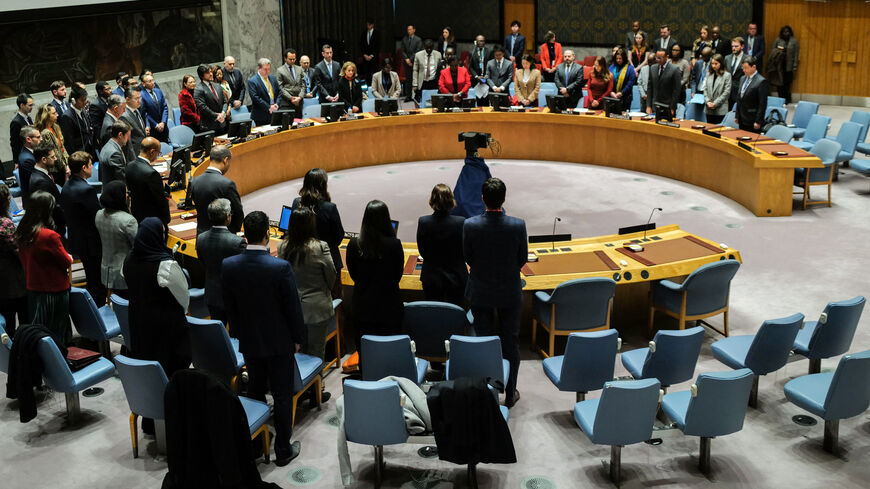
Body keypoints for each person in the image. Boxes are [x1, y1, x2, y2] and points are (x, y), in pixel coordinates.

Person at [222, 210, 306, 467]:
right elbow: (293, 308)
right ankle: (283, 449)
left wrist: (237, 331)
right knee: (281, 395)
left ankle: (258, 444)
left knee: (256, 388)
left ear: (244, 235)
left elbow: (230, 305)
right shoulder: (280, 267)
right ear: (268, 234)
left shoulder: (230, 265)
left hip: (249, 340)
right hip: (279, 342)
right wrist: (298, 338)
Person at [463, 177, 527, 408]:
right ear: (504, 199)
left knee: (484, 342)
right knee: (510, 342)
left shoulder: (470, 225)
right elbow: (522, 259)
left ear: (482, 199)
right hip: (509, 291)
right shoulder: (518, 225)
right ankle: (510, 392)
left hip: (481, 291)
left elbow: (468, 257)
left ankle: (487, 391)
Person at [123, 216, 191, 388]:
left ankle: (151, 407)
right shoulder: (165, 265)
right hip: (166, 329)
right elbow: (184, 298)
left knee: (149, 370)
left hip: (138, 322)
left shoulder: (128, 260)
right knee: (171, 372)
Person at [278, 206, 335, 366]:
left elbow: (282, 277)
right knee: (317, 351)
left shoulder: (283, 246)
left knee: (299, 351)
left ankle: (303, 387)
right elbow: (331, 276)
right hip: (317, 308)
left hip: (292, 307)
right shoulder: (321, 246)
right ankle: (317, 387)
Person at [15, 190, 73, 344]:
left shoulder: (23, 230)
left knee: (40, 331)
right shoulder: (49, 236)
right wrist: (69, 257)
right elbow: (66, 262)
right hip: (54, 291)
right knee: (57, 332)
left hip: (34, 289)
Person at [346, 200, 404, 344]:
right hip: (389, 308)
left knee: (365, 354)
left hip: (362, 308)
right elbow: (397, 275)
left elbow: (353, 273)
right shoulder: (394, 244)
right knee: (390, 351)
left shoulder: (354, 244)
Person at [59, 151, 105, 302]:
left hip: (77, 238)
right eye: (91, 165)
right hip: (91, 241)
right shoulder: (86, 190)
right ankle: (99, 309)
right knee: (96, 279)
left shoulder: (66, 186)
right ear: (84, 168)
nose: (93, 167)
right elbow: (97, 216)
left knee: (90, 275)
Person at [291, 168, 345, 296]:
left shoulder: (296, 203)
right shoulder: (329, 208)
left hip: (301, 258)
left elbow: (292, 230)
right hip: (327, 261)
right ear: (323, 186)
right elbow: (338, 237)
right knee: (332, 295)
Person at [195, 198, 245, 323]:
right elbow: (243, 270)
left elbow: (203, 262)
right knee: (235, 334)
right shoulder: (237, 242)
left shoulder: (200, 239)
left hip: (211, 294)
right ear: (228, 216)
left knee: (218, 331)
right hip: (232, 297)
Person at [416, 184, 466, 306]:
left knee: (434, 315)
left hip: (431, 278)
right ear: (451, 201)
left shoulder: (424, 222)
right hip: (456, 278)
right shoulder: (461, 222)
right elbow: (464, 251)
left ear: (432, 200)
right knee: (455, 315)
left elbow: (422, 251)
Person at [94, 181, 137, 298]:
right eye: (126, 193)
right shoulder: (128, 221)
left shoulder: (99, 214)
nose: (128, 195)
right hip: (124, 274)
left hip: (106, 271)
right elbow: (139, 246)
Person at [189, 145, 243, 234]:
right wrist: (233, 235)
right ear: (225, 160)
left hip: (201, 237)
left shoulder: (195, 181)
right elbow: (238, 214)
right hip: (223, 239)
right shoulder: (227, 184)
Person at [0, 183, 27, 337]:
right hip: (14, 278)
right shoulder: (5, 223)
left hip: (2, 280)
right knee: (24, 319)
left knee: (6, 320)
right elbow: (18, 251)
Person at [126, 137, 170, 224]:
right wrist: (166, 220)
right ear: (152, 152)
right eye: (158, 153)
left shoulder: (129, 166)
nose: (158, 156)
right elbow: (160, 201)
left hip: (136, 215)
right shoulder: (152, 174)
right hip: (151, 220)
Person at [27, 143, 66, 236]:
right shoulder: (41, 182)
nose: (56, 159)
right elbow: (50, 208)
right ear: (44, 159)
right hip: (54, 227)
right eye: (53, 157)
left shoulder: (40, 173)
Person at [34, 104, 68, 187]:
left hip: (64, 164)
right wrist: (65, 168)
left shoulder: (55, 127)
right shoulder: (46, 133)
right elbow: (55, 153)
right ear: (47, 116)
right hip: (57, 169)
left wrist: (68, 161)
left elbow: (62, 147)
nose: (57, 115)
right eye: (54, 113)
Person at [59, 85, 94, 158]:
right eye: (82, 100)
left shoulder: (83, 110)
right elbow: (69, 142)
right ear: (73, 100)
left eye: (85, 99)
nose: (85, 102)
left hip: (90, 150)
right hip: (79, 154)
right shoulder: (67, 116)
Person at [735, 56, 769, 133]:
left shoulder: (761, 81)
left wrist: (758, 121)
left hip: (752, 119)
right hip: (742, 118)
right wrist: (737, 115)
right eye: (743, 68)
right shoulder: (742, 78)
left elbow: (762, 104)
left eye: (746, 68)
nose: (743, 70)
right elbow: (739, 98)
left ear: (753, 67)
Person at [646, 48, 682, 116]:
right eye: (657, 57)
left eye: (661, 58)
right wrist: (648, 105)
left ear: (667, 57)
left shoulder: (674, 69)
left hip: (668, 106)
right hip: (655, 105)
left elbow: (676, 91)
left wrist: (672, 108)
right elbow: (649, 87)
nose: (658, 60)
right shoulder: (653, 68)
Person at [193, 63, 227, 134]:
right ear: (202, 75)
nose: (211, 74)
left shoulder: (217, 85)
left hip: (221, 124)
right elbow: (202, 107)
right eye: (208, 73)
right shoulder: (198, 89)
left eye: (211, 71)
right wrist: (216, 116)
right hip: (208, 127)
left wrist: (223, 113)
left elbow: (225, 101)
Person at [247, 58, 281, 126]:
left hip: (275, 111)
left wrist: (277, 104)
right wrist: (269, 107)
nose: (267, 71)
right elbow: (255, 98)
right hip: (261, 115)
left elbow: (279, 92)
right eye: (265, 69)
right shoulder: (252, 81)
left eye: (269, 69)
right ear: (259, 68)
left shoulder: (272, 78)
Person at [772, 25, 799, 104]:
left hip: (789, 65)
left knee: (787, 83)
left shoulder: (794, 41)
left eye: (787, 32)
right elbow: (773, 50)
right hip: (779, 65)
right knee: (779, 83)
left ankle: (787, 98)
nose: (786, 33)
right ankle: (780, 99)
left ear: (790, 32)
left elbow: (796, 54)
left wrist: (795, 65)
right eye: (784, 32)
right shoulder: (778, 40)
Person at [702, 54, 732, 124]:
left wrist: (715, 104)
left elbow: (726, 92)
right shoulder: (709, 74)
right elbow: (705, 89)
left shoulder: (727, 75)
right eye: (712, 63)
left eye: (716, 64)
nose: (714, 66)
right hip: (708, 108)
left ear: (721, 63)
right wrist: (708, 102)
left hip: (720, 109)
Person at [99, 120, 131, 185]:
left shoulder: (109, 145)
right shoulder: (114, 153)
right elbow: (121, 177)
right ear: (120, 135)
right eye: (128, 136)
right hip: (114, 192)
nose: (129, 139)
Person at [139, 74, 169, 143]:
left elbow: (165, 107)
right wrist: (156, 125)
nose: (153, 82)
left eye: (153, 80)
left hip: (163, 127)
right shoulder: (141, 95)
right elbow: (144, 113)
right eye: (149, 81)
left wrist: (163, 122)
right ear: (143, 84)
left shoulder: (158, 91)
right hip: (153, 129)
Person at [120, 86, 147, 161]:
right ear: (127, 99)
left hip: (143, 152)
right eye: (136, 99)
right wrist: (133, 159)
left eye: (140, 97)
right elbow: (128, 143)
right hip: (135, 155)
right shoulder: (124, 116)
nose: (139, 101)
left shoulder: (136, 110)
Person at [277, 48, 306, 117]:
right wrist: (291, 98)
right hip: (287, 103)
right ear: (285, 59)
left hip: (299, 102)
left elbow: (303, 84)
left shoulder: (299, 69)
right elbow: (280, 87)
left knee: (299, 124)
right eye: (290, 59)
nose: (293, 61)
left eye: (294, 59)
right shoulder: (280, 70)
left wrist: (300, 97)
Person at [16, 127, 40, 205]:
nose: (42, 139)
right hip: (34, 202)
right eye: (38, 137)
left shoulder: (30, 152)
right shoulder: (27, 159)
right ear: (29, 139)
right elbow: (35, 184)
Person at [413, 40, 442, 104]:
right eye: (427, 48)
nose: (429, 49)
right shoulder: (418, 55)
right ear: (424, 47)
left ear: (433, 47)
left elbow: (440, 69)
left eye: (430, 48)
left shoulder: (438, 54)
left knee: (434, 101)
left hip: (434, 81)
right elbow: (415, 70)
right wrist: (415, 84)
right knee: (421, 101)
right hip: (423, 81)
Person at [10, 94, 34, 165]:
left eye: (32, 105)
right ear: (22, 105)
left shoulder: (28, 118)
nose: (32, 107)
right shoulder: (16, 122)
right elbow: (14, 143)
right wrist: (16, 162)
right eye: (30, 105)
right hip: (24, 157)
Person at [401, 25, 423, 101]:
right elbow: (403, 51)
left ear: (414, 30)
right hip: (407, 63)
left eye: (410, 29)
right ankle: (408, 96)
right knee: (408, 80)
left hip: (415, 62)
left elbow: (418, 50)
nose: (409, 31)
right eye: (408, 29)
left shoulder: (418, 40)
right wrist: (407, 59)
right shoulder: (404, 39)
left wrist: (411, 60)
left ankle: (417, 96)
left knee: (416, 79)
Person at [89, 82, 111, 152]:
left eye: (110, 88)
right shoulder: (95, 105)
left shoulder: (110, 100)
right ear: (100, 91)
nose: (110, 91)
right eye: (107, 89)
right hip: (104, 137)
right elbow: (97, 126)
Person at [725, 37, 747, 109]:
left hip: (740, 91)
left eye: (736, 46)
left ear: (742, 46)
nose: (734, 48)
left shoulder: (747, 59)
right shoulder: (727, 58)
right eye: (732, 46)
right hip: (727, 91)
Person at [359, 18, 380, 86]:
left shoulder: (377, 33)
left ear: (372, 25)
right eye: (367, 25)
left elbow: (378, 46)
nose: (368, 26)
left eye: (370, 25)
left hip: (374, 58)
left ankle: (376, 89)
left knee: (375, 74)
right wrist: (364, 55)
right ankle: (368, 88)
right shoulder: (364, 33)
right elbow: (361, 45)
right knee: (367, 74)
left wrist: (371, 55)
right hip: (366, 58)